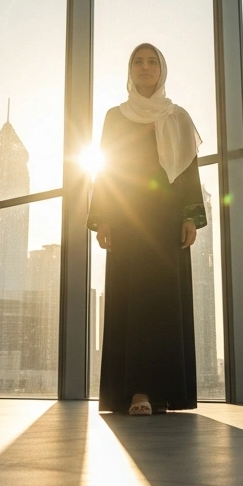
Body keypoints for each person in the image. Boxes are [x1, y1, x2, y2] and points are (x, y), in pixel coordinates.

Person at [89, 43, 207, 415]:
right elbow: (106, 169)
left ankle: (165, 391)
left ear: (161, 69)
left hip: (167, 220)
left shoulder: (178, 116)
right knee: (133, 301)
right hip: (128, 218)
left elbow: (188, 170)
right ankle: (137, 391)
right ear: (130, 70)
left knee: (164, 302)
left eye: (152, 62)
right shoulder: (116, 116)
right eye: (138, 62)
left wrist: (190, 216)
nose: (145, 67)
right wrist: (103, 217)